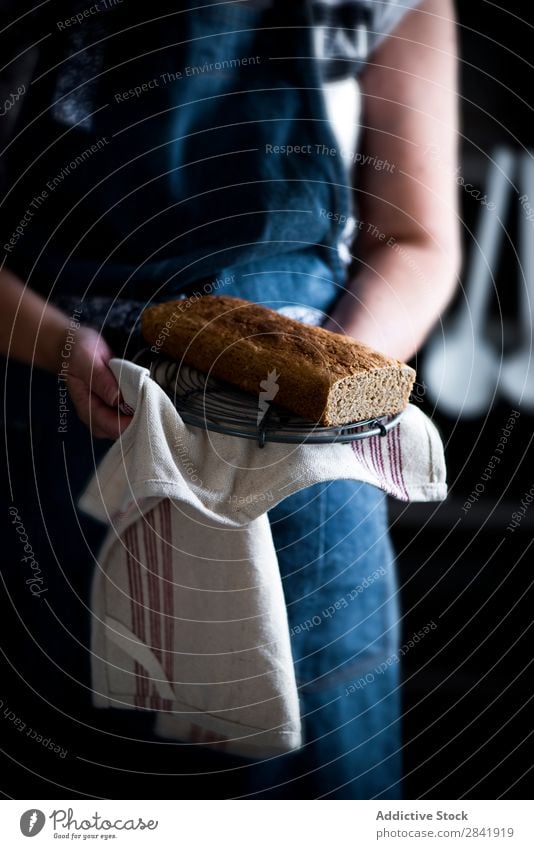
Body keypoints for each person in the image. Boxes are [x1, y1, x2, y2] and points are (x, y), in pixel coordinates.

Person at [0, 0, 459, 798]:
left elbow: (417, 240)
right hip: (53, 438)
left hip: (305, 480)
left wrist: (329, 382)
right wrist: (56, 344)